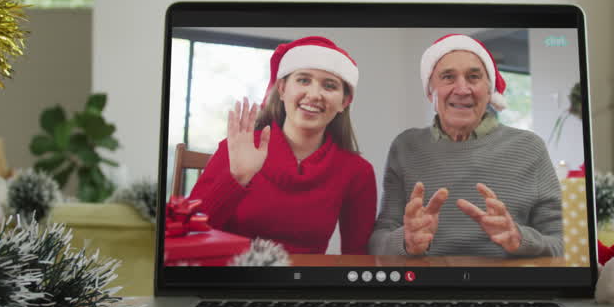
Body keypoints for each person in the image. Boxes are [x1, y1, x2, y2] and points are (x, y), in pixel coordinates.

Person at [368, 34, 563, 257]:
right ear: (430, 90)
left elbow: (564, 244)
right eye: (448, 77)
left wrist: (519, 239)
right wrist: (406, 241)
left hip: (508, 288)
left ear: (489, 91)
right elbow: (377, 242)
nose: (462, 89)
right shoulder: (405, 146)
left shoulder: (530, 147)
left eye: (473, 77)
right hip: (426, 287)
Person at [187, 36, 377, 255]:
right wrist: (236, 179)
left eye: (329, 85)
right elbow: (188, 233)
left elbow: (357, 259)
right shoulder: (239, 147)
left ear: (344, 102)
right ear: (282, 88)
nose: (314, 95)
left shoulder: (358, 172)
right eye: (304, 80)